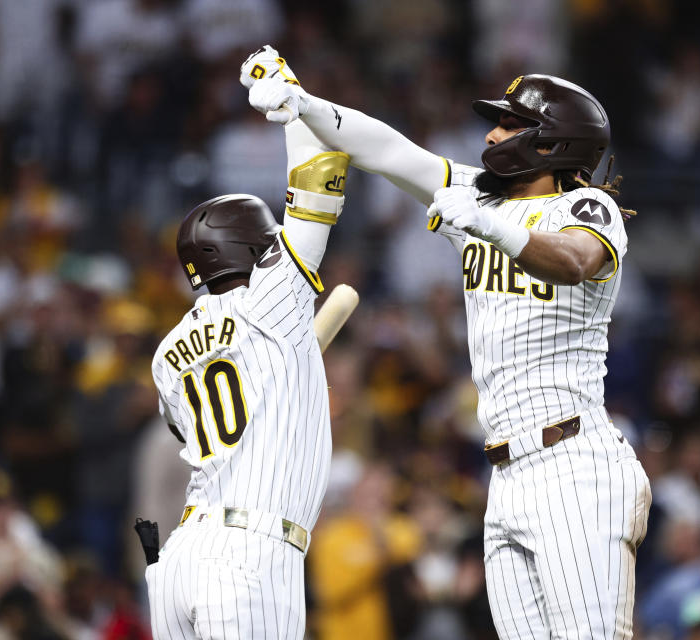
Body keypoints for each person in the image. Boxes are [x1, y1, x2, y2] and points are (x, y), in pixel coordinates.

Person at [242, 46, 651, 639]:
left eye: (510, 123)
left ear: (551, 142)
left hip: (574, 463)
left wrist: (486, 223)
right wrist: (303, 103)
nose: (491, 135)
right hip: (505, 473)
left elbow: (574, 260)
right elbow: (387, 151)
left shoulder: (587, 206)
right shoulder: (480, 198)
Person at [146, 104, 350, 639]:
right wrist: (297, 112)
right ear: (257, 249)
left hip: (180, 558)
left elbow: (204, 425)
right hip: (251, 553)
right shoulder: (272, 300)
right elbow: (317, 186)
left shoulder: (166, 352)